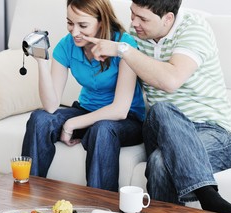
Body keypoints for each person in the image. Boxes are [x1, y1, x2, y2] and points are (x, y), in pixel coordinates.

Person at [84, 0, 231, 213]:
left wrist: (123, 50)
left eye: (143, 19)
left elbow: (171, 80)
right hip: (160, 129)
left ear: (168, 18)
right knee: (161, 110)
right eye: (132, 14)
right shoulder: (134, 38)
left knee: (159, 162)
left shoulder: (193, 29)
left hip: (214, 134)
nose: (134, 23)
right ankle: (209, 197)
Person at [21, 0, 145, 191]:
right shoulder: (66, 46)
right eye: (70, 23)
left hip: (126, 120)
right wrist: (41, 62)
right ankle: (27, 197)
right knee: (40, 119)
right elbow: (51, 106)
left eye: (83, 25)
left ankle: (101, 210)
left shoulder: (124, 45)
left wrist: (72, 124)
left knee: (102, 130)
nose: (74, 32)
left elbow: (120, 110)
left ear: (101, 22)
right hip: (87, 111)